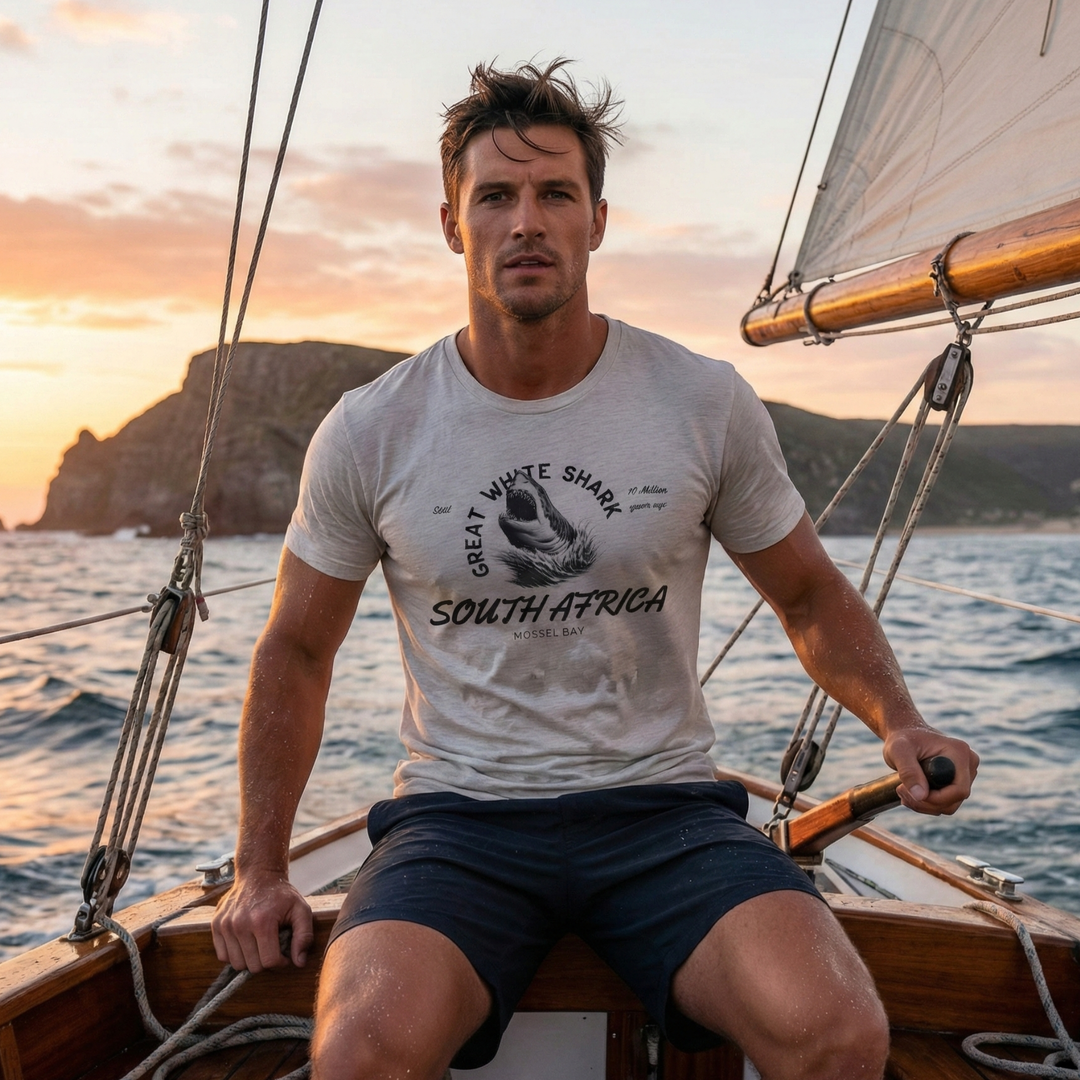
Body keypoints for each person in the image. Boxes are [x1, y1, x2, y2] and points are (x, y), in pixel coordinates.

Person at [211, 60, 979, 1080]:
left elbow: (805, 593)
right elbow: (298, 650)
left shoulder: (699, 402)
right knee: (357, 1055)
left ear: (596, 221)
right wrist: (259, 870)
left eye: (554, 193)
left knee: (839, 1032)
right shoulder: (372, 429)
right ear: (453, 224)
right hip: (460, 820)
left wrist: (901, 720)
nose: (525, 220)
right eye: (495, 196)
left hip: (661, 812)